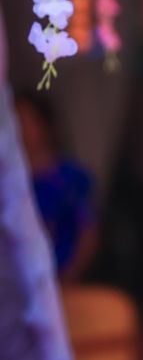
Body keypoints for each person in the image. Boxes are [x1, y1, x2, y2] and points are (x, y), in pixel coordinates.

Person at [14, 92, 97, 284]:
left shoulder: (70, 178)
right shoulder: (11, 181)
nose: (20, 129)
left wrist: (66, 278)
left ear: (44, 125)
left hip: (61, 283)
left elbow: (88, 234)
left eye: (25, 120)